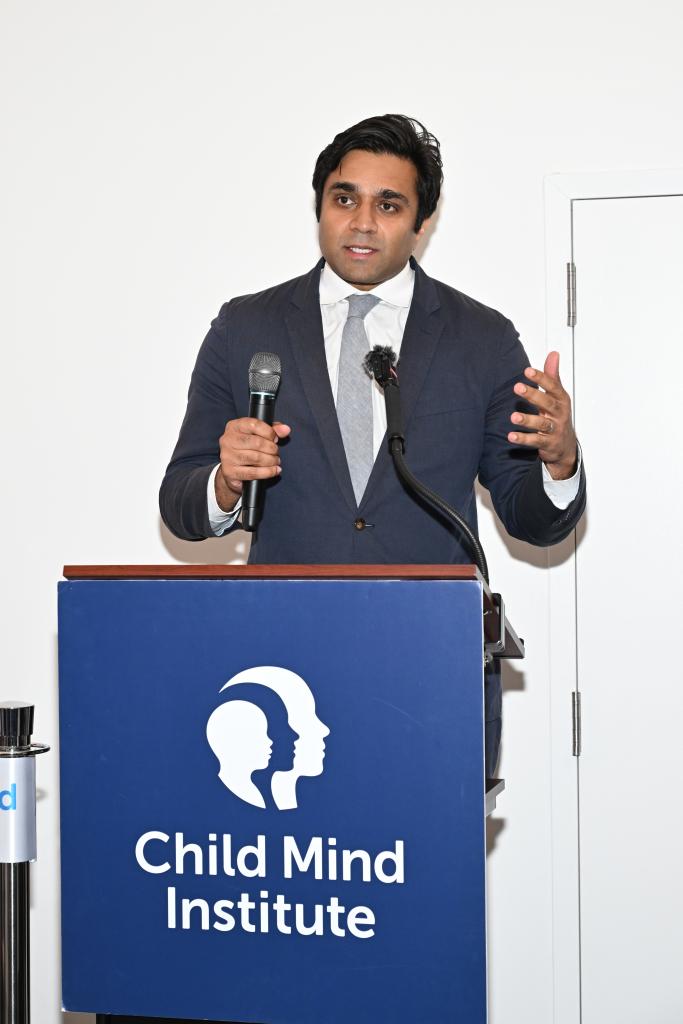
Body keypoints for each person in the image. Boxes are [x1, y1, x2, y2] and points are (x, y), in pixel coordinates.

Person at [161, 114, 586, 772]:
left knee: (427, 872)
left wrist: (557, 462)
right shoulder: (246, 327)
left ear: (421, 222)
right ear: (320, 207)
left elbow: (529, 518)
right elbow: (179, 504)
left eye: (388, 205)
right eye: (344, 199)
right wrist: (222, 481)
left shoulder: (481, 338)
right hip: (285, 666)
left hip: (428, 666)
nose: (362, 222)